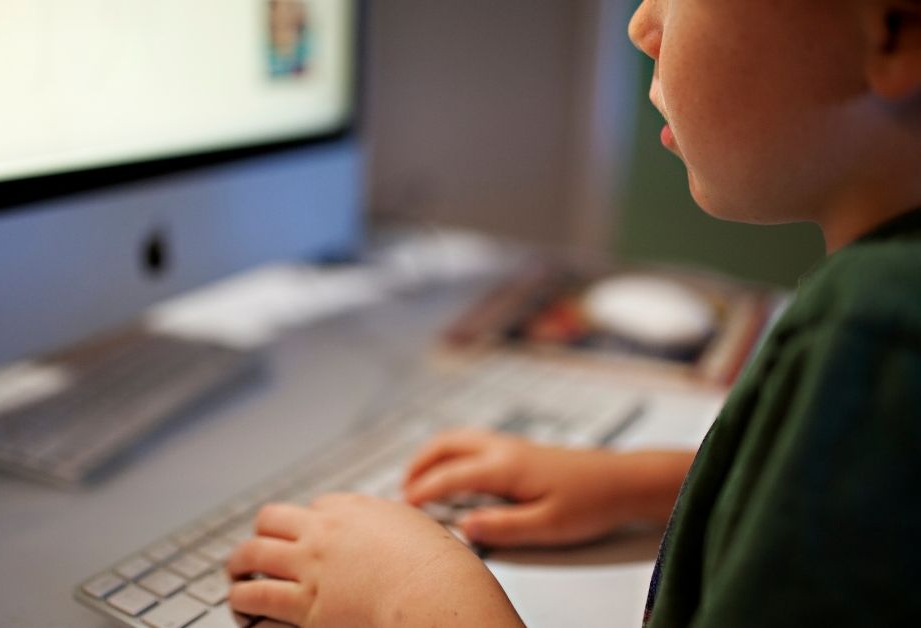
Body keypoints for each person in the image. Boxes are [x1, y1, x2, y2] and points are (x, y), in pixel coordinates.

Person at [226, 0, 921, 625]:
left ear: (893, 31)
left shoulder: (877, 338)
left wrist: (413, 590)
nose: (641, 26)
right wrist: (638, 486)